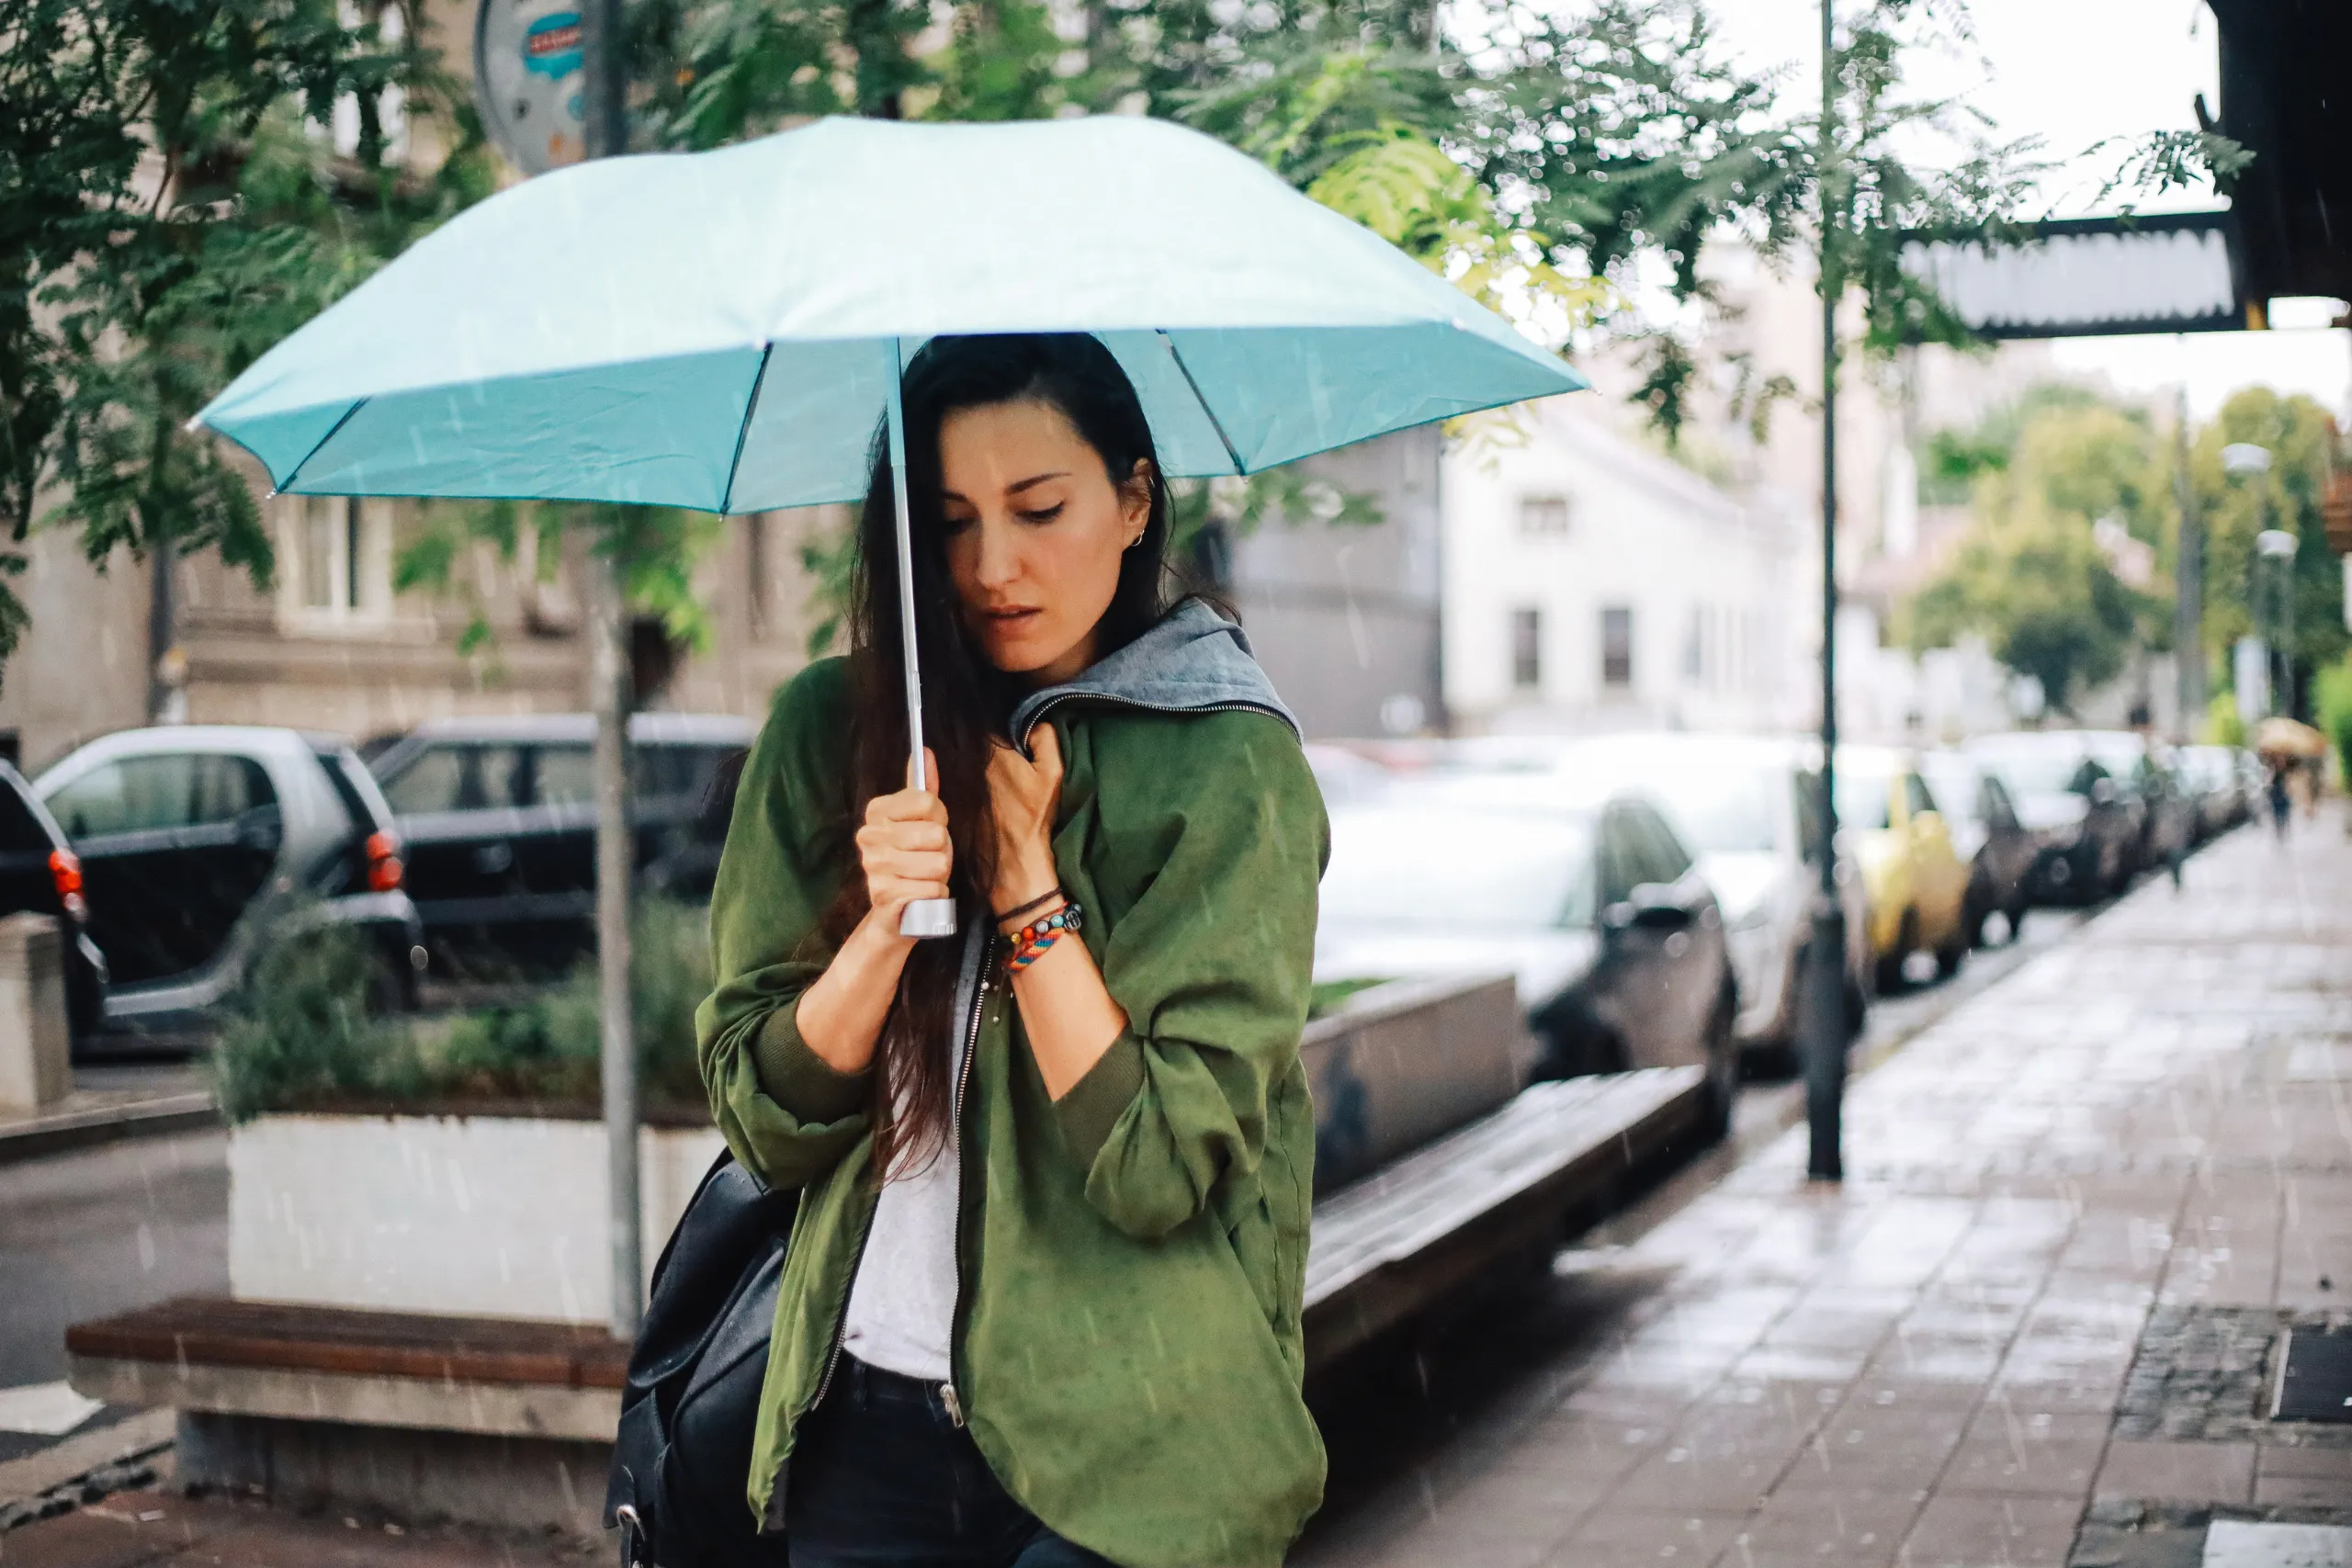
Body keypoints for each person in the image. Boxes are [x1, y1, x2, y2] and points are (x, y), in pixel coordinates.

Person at [697, 333, 1329, 1568]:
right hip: (863, 1421)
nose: (993, 566)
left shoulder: (1225, 762)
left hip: (1138, 1439)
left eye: (1040, 508)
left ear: (1134, 498)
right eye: (947, 522)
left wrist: (1029, 892)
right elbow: (766, 1121)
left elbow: (1155, 1165)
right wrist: (884, 927)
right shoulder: (831, 731)